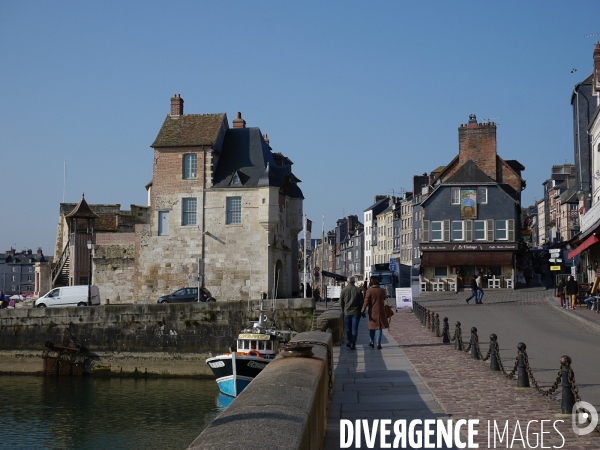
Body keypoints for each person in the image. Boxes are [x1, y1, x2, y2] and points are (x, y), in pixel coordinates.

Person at [361, 276, 389, 349]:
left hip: (372, 311)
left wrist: (362, 310)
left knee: (372, 327)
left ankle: (371, 341)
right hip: (381, 311)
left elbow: (366, 302)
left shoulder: (369, 291)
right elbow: (384, 298)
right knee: (379, 327)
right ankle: (378, 343)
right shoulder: (382, 290)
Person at [339, 276, 364, 350]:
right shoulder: (358, 290)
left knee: (348, 329)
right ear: (354, 282)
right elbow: (361, 302)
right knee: (354, 329)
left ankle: (349, 341)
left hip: (347, 312)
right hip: (356, 312)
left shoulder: (344, 290)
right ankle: (353, 343)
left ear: (347, 282)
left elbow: (341, 302)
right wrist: (361, 311)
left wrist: (343, 310)